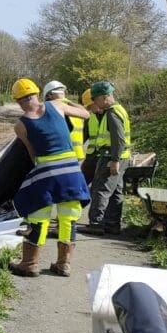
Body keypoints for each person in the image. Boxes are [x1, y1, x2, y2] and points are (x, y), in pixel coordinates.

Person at [9, 78, 90, 277]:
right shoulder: (56, 105)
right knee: (68, 218)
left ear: (18, 101)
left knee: (38, 216)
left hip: (46, 173)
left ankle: (29, 264)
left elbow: (32, 153)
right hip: (71, 171)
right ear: (37, 94)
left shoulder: (20, 125)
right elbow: (86, 113)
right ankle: (63, 265)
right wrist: (67, 101)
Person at [85, 81, 132, 236]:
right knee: (117, 190)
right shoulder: (118, 110)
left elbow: (118, 139)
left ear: (105, 97)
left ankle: (96, 223)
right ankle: (113, 224)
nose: (94, 102)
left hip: (111, 156)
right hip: (121, 156)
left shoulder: (112, 113)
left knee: (100, 189)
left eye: (95, 99)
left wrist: (115, 160)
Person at [42, 80, 86, 163]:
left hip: (61, 155)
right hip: (76, 154)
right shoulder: (73, 109)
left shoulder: (52, 109)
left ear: (49, 95)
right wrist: (68, 102)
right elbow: (86, 113)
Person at [80, 88, 103, 185]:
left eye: (89, 106)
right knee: (82, 183)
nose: (89, 110)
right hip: (92, 157)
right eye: (88, 107)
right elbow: (82, 137)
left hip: (105, 157)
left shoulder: (111, 115)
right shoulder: (90, 118)